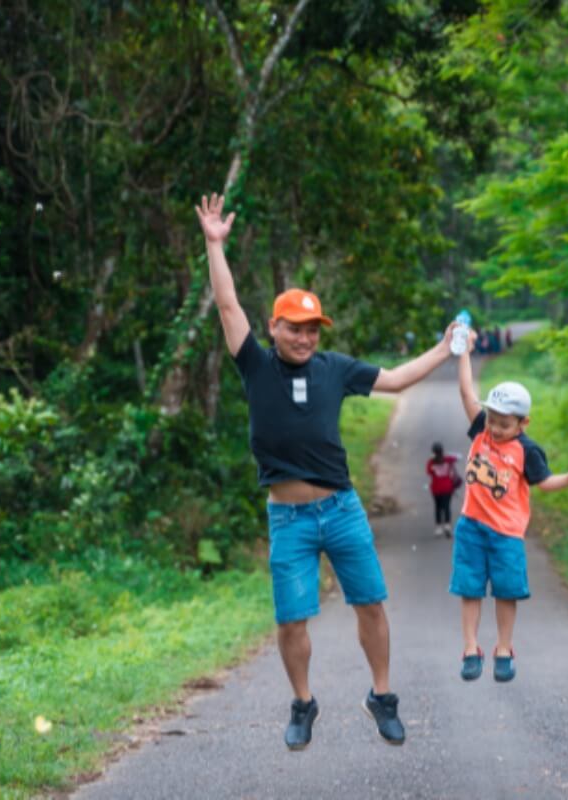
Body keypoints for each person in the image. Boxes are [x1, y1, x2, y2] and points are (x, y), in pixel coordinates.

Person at [195, 193, 460, 751]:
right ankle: (303, 703)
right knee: (292, 620)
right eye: (296, 327)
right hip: (289, 518)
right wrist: (215, 244)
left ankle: (382, 697)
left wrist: (441, 352)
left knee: (371, 603)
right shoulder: (255, 365)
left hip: (341, 508)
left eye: (313, 328)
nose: (306, 336)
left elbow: (394, 379)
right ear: (275, 327)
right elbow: (226, 307)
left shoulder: (336, 369)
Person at [450, 329, 568, 683]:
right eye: (492, 419)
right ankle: (470, 648)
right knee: (469, 587)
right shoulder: (481, 429)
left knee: (506, 591)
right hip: (471, 526)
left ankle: (503, 647)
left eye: (504, 424)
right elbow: (467, 392)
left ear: (523, 423)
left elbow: (544, 482)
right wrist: (464, 351)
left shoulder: (527, 451)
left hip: (507, 534)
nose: (494, 428)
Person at [426, 442, 460, 537]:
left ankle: (438, 527)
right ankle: (447, 525)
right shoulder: (448, 460)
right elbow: (457, 457)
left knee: (438, 507)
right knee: (447, 506)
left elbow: (429, 472)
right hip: (448, 487)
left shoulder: (431, 463)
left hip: (436, 488)